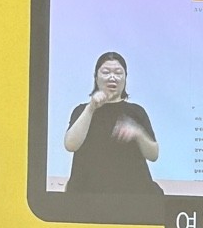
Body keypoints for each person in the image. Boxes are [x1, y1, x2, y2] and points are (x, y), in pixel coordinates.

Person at [62, 51, 163, 194]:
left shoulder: (136, 111)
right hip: (87, 194)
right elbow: (70, 145)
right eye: (106, 72)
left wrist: (138, 133)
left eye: (118, 73)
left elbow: (153, 155)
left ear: (125, 78)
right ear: (96, 77)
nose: (112, 77)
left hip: (132, 194)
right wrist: (91, 108)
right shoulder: (82, 110)